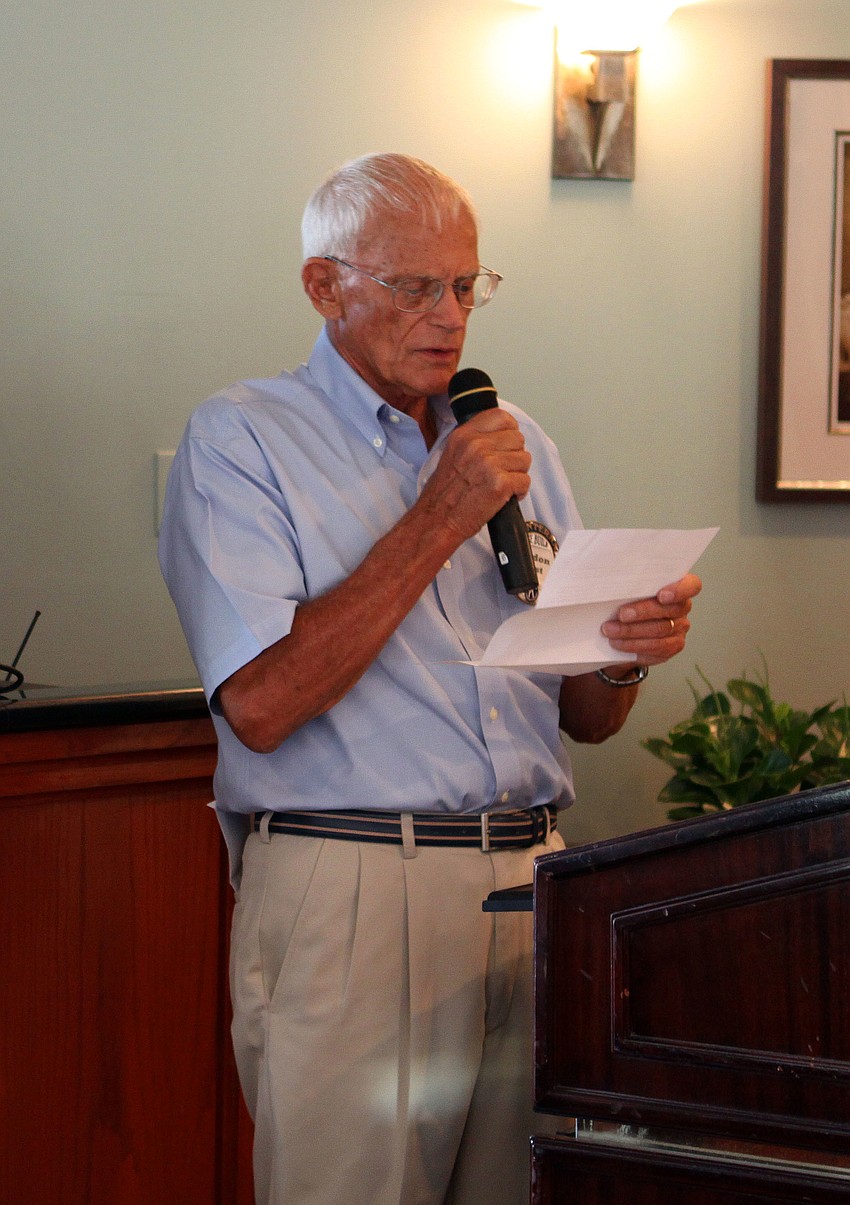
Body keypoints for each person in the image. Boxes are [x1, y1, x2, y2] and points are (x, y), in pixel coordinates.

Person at [158, 152, 701, 1205]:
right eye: (413, 287)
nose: (448, 315)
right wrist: (439, 514)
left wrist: (627, 644)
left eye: (466, 285)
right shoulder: (242, 437)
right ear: (325, 286)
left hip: (532, 881)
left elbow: (585, 717)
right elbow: (262, 706)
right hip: (356, 886)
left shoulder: (511, 435)